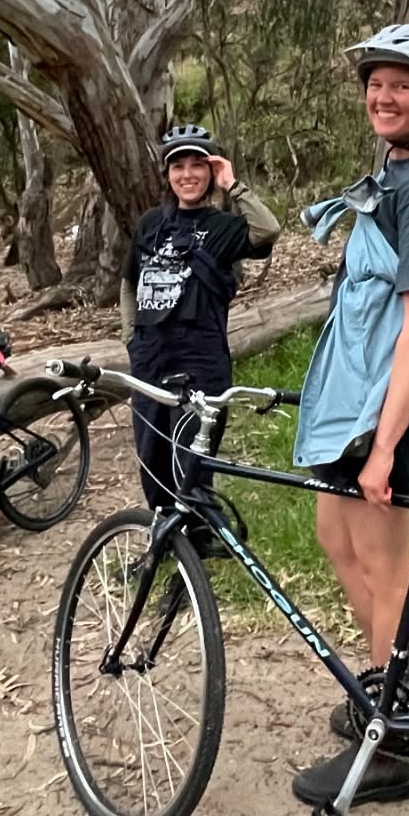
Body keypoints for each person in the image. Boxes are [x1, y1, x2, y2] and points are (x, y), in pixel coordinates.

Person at [290, 24, 409, 809]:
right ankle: (391, 683)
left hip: (385, 409)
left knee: (385, 564)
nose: (384, 96)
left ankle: (391, 738)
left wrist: (383, 448)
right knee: (338, 541)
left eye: (403, 85)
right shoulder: (394, 175)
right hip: (355, 402)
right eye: (376, 83)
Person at [121, 126, 279, 529]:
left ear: (210, 172)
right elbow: (129, 281)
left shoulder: (222, 225)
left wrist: (232, 185)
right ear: (167, 174)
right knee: (152, 457)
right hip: (150, 358)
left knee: (190, 459)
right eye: (178, 166)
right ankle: (164, 536)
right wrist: (130, 338)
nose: (187, 174)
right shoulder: (151, 223)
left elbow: (267, 230)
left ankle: (199, 538)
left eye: (198, 165)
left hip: (200, 359)